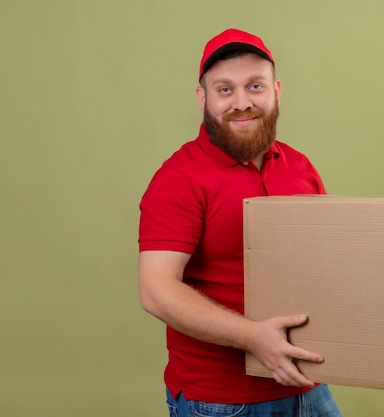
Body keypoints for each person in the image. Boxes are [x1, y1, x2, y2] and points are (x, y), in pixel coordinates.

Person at [138, 28, 343, 417]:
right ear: (203, 98)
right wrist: (253, 336)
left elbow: (321, 265)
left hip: (309, 385)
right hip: (222, 402)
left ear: (277, 91)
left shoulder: (299, 166)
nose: (242, 102)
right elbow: (155, 289)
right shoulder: (179, 178)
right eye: (225, 90)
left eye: (255, 86)